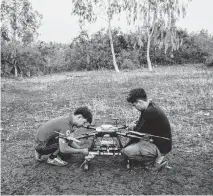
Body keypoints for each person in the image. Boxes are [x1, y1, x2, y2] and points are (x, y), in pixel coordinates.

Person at [122, 88, 172, 170]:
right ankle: (155, 158)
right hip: (160, 142)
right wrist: (133, 126)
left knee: (126, 152)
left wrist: (124, 148)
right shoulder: (150, 106)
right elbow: (140, 125)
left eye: (134, 105)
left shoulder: (149, 112)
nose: (134, 107)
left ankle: (155, 163)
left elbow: (137, 133)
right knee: (133, 136)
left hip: (161, 146)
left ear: (140, 102)